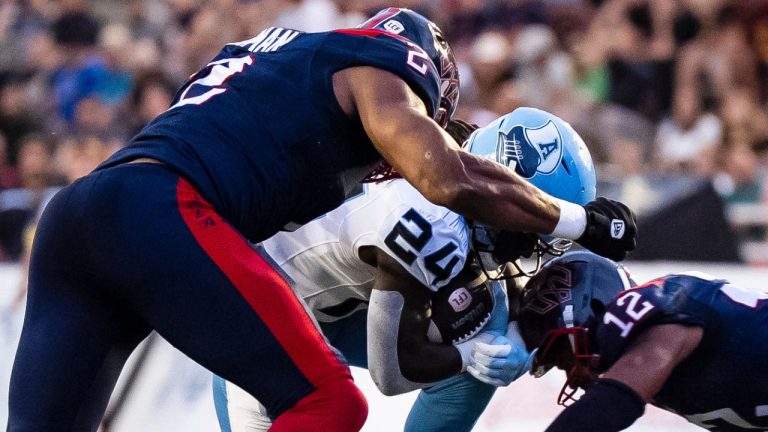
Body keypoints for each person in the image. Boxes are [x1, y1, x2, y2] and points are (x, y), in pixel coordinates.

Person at [8, 7, 637, 432]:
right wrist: (578, 222)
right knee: (331, 401)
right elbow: (445, 178)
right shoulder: (382, 66)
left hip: (80, 216)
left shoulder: (276, 65)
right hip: (158, 211)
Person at [213, 107, 598, 432]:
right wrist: (470, 353)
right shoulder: (432, 222)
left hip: (331, 304)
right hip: (258, 315)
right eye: (529, 227)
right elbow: (392, 372)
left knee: (486, 333)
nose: (529, 249)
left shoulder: (450, 185)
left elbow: (504, 293)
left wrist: (512, 337)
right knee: (475, 347)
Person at [481, 251, 768, 432]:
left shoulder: (660, 305)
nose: (571, 376)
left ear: (590, 310)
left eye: (563, 358)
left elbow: (612, 404)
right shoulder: (659, 378)